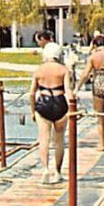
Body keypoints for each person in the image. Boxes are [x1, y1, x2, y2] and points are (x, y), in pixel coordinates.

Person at [29, 43, 73, 184]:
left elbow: (31, 93)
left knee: (44, 139)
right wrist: (73, 108)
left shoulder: (38, 70)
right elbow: (69, 91)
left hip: (43, 103)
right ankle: (58, 172)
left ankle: (45, 169)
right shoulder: (63, 70)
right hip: (60, 102)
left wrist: (32, 111)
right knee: (59, 140)